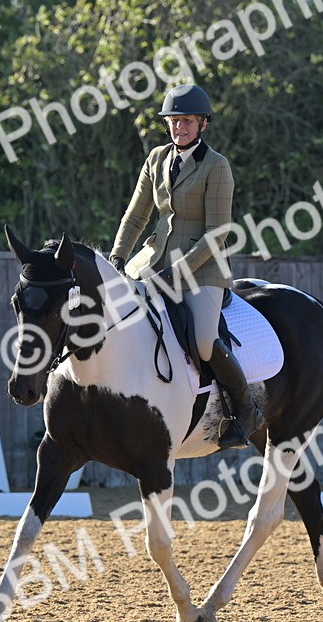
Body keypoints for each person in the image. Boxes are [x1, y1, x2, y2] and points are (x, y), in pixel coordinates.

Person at [109, 84, 264, 450]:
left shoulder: (217, 166)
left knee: (204, 343)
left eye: (187, 122)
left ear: (202, 124)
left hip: (203, 269)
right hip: (152, 260)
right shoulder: (156, 159)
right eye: (175, 121)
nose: (180, 128)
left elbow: (216, 234)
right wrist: (118, 257)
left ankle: (244, 408)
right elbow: (136, 216)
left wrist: (176, 273)